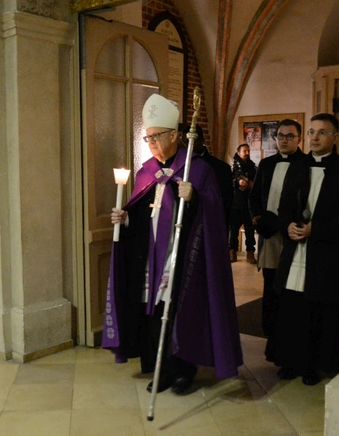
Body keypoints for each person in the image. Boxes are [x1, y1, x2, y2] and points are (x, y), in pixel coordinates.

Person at [103, 93, 243, 395]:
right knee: (153, 314)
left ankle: (183, 371)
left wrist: (194, 200)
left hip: (181, 257)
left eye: (157, 136)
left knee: (180, 312)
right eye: (148, 137)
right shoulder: (145, 173)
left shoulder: (199, 171)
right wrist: (124, 219)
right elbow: (141, 215)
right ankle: (161, 369)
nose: (151, 142)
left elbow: (215, 217)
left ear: (176, 135)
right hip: (150, 259)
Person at [268, 113, 339, 386]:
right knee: (291, 306)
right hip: (296, 250)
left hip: (323, 253)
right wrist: (288, 225)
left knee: (317, 309)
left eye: (322, 133)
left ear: (335, 137)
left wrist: (317, 230)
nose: (315, 137)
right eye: (312, 132)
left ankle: (313, 365)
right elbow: (284, 207)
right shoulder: (298, 166)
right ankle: (290, 361)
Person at [248, 119, 306, 362]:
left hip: (293, 237)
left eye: (289, 136)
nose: (283, 139)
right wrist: (256, 218)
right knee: (270, 286)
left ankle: (290, 344)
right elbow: (254, 196)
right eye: (280, 135)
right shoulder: (267, 163)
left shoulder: (305, 165)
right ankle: (271, 337)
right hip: (270, 235)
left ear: (298, 139)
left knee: (289, 292)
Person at [179, 123, 232, 229]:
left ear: (202, 141)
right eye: (185, 142)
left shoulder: (220, 168)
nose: (187, 147)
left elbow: (225, 203)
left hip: (211, 225)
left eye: (191, 142)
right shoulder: (179, 167)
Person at [229, 144, 257, 263]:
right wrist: (237, 181)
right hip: (236, 203)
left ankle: (250, 253)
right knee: (234, 230)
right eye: (244, 151)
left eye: (248, 151)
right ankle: (232, 251)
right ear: (239, 152)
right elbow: (229, 181)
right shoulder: (233, 167)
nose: (247, 153)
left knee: (250, 230)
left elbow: (257, 180)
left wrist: (252, 184)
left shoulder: (252, 167)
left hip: (249, 203)